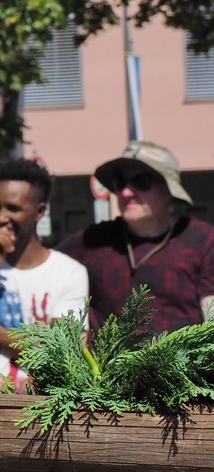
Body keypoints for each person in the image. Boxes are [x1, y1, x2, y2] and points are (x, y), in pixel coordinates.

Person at [0, 157, 89, 391]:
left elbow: (60, 355)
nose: (1, 218)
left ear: (39, 211)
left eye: (13, 209)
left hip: (44, 408)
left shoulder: (69, 272)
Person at [60, 141, 214, 335]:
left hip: (183, 364)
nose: (125, 192)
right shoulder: (93, 240)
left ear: (168, 190)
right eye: (120, 182)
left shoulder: (203, 240)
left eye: (141, 181)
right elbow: (45, 268)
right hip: (106, 365)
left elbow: (211, 314)